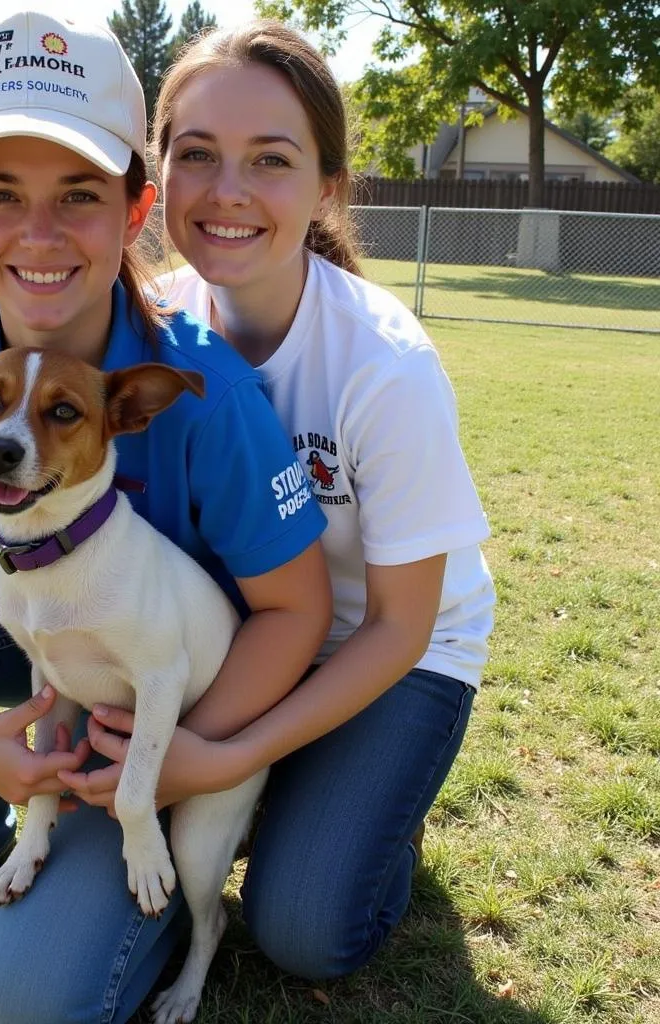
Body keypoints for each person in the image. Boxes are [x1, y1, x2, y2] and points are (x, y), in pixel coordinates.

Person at [0, 9, 333, 1022]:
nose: (41, 233)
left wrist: (185, 755)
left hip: (185, 688)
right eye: (0, 195)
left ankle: (125, 901)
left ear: (136, 207)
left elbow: (296, 609)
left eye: (78, 196)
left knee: (31, 999)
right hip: (56, 644)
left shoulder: (199, 388)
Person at [60, 20, 495, 987]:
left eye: (272, 160)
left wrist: (218, 756)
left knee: (302, 933)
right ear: (157, 174)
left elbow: (401, 625)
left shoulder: (384, 365)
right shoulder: (151, 329)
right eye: (198, 155)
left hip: (383, 654)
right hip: (235, 630)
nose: (229, 192)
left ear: (327, 185)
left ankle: (363, 808)